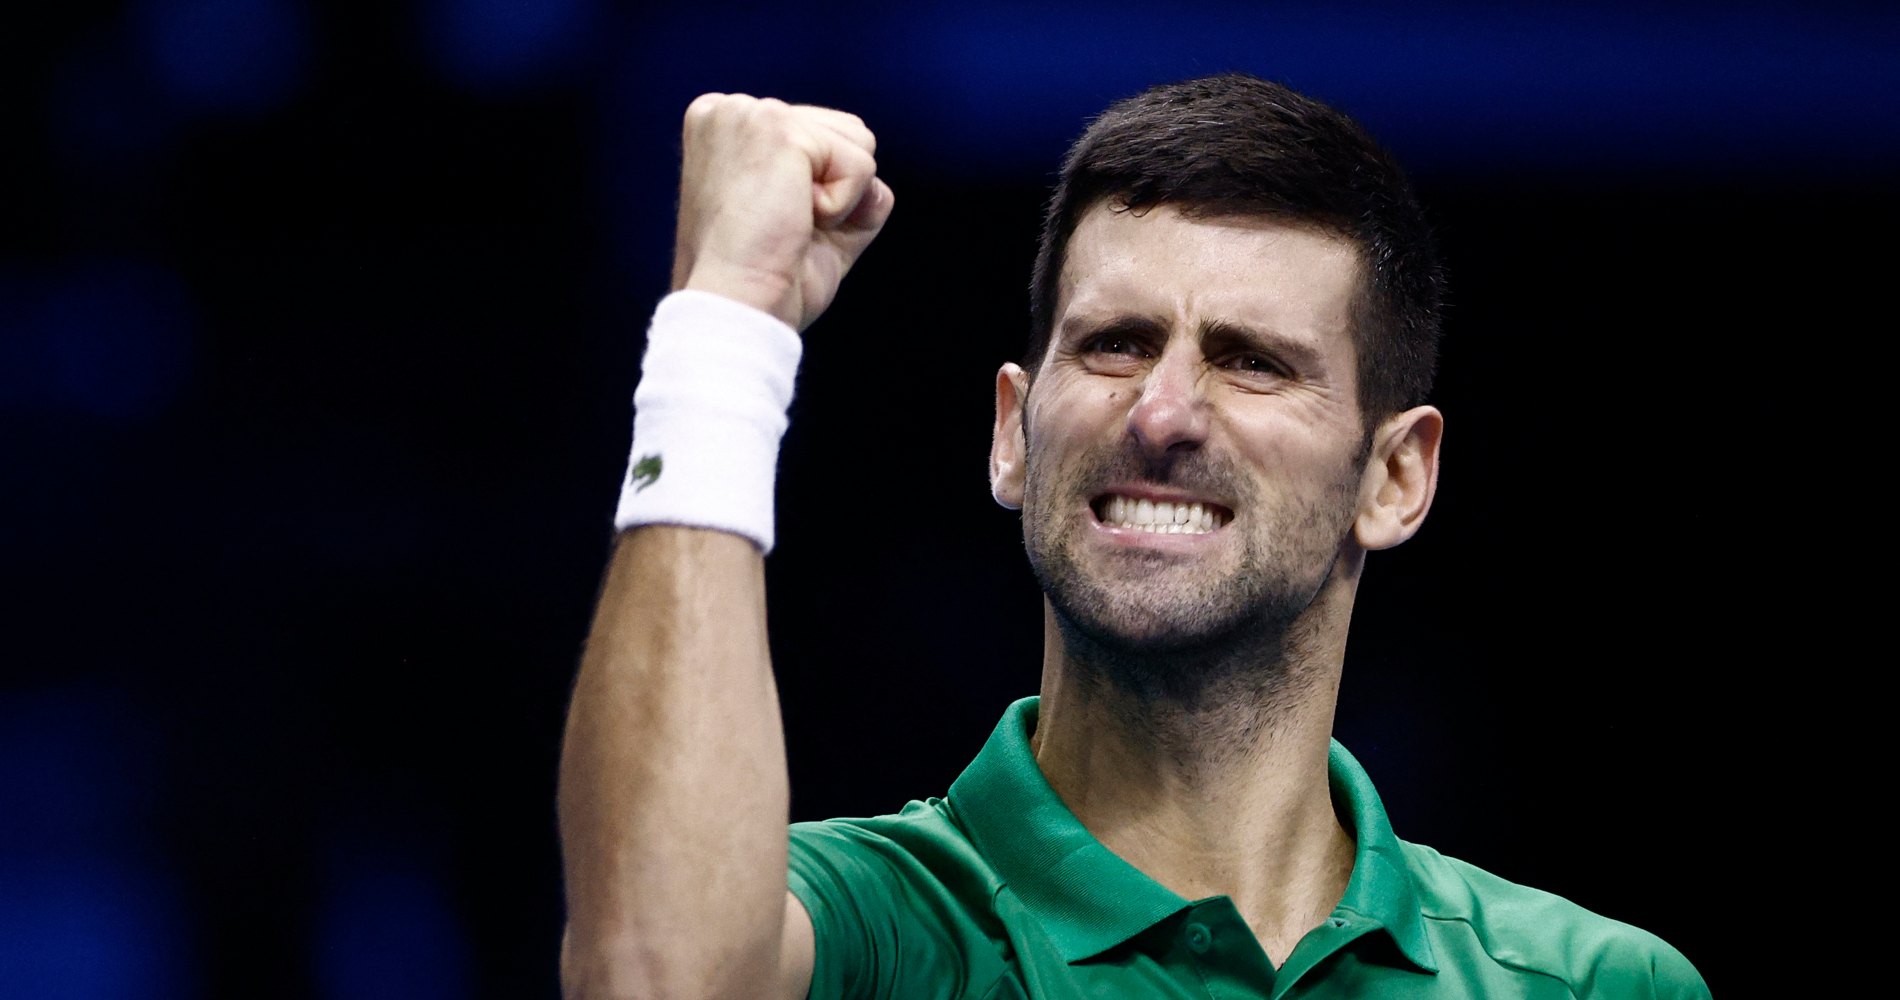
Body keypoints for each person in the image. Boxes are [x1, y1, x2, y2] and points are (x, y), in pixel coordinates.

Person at [555, 73, 1711, 999]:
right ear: (1012, 433)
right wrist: (725, 322)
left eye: (1251, 360)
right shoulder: (882, 928)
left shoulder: (1587, 982)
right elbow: (656, 976)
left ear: (1395, 476)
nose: (1161, 413)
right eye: (1113, 342)